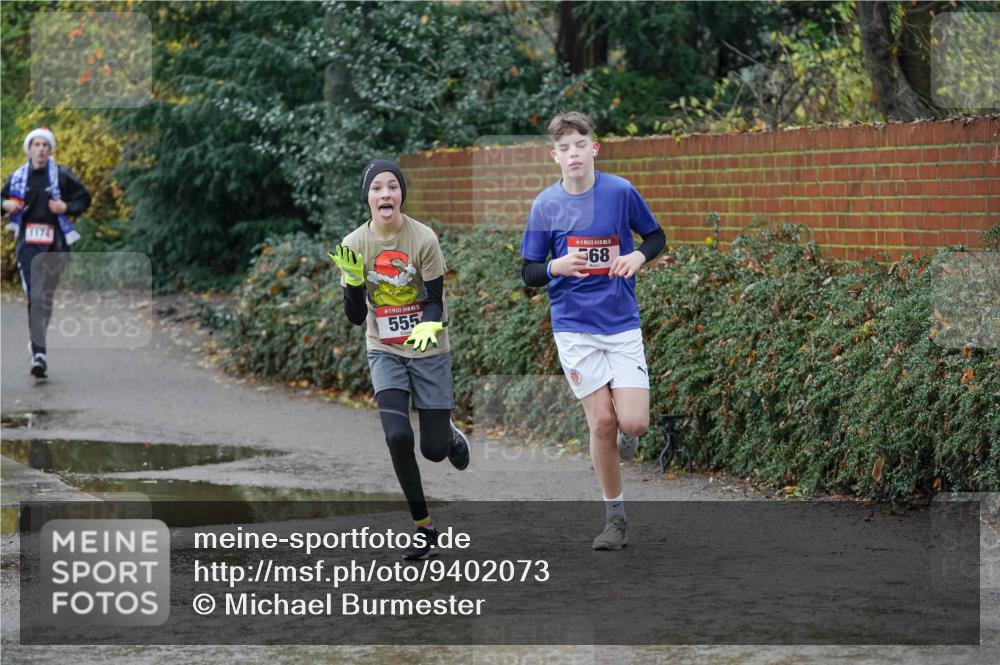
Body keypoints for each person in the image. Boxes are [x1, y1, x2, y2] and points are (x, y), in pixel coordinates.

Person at [520, 112, 666, 550]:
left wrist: (638, 258)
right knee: (602, 422)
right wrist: (555, 266)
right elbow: (528, 272)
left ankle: (626, 434)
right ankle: (615, 520)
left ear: (594, 149)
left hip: (621, 323)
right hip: (574, 328)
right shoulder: (546, 205)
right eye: (563, 148)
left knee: (634, 424)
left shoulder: (620, 192)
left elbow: (656, 238)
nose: (573, 154)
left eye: (579, 145)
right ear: (555, 157)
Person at [330, 159, 470, 560]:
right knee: (397, 436)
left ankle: (449, 435)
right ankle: (424, 527)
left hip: (428, 350)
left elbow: (435, 300)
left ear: (401, 194)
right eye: (377, 188)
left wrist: (429, 324)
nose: (386, 193)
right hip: (385, 349)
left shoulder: (423, 238)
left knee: (433, 450)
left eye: (392, 186)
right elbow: (356, 317)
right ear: (368, 198)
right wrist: (354, 284)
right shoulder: (354, 245)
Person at [1, 127, 91, 378]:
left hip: (55, 244)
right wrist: (5, 204)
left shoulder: (62, 175)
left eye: (45, 145)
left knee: (46, 298)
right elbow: (1, 199)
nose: (40, 149)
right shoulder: (18, 176)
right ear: (29, 149)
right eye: (36, 144)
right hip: (28, 245)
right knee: (37, 296)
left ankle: (36, 339)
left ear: (50, 150)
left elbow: (84, 199)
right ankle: (39, 354)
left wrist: (67, 206)